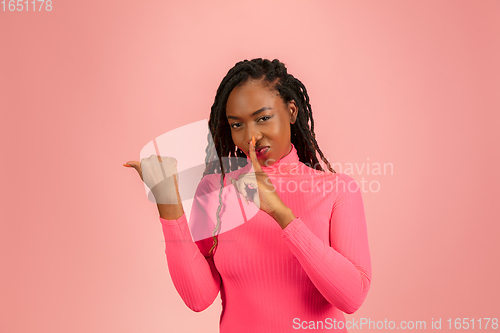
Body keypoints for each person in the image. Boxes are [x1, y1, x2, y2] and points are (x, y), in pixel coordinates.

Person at [124, 58, 371, 332]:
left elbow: (351, 297)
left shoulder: (337, 191)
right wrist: (168, 204)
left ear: (291, 111)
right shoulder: (216, 192)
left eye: (263, 118)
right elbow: (198, 298)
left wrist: (283, 215)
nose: (251, 136)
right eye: (237, 125)